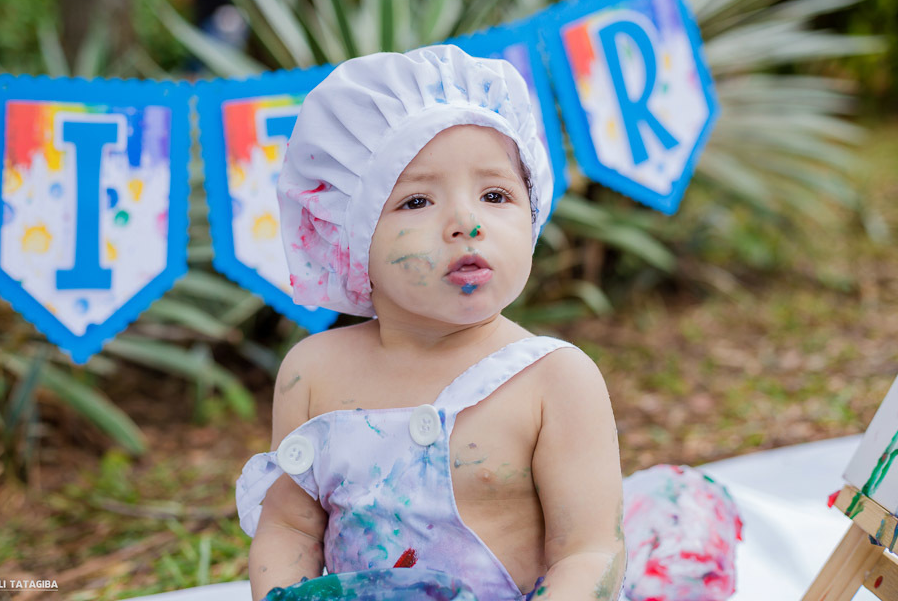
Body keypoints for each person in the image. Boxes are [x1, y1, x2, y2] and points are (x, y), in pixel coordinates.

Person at [235, 44, 740, 601]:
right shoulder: (313, 373)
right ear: (349, 236)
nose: (465, 223)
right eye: (417, 201)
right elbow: (289, 528)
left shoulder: (554, 380)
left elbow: (588, 549)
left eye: (495, 194)